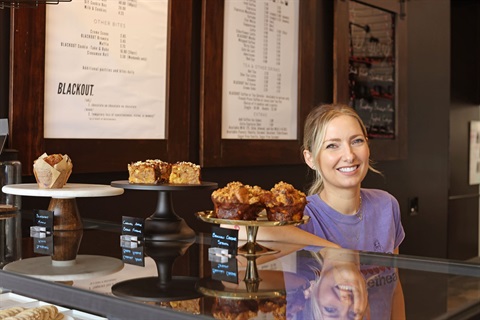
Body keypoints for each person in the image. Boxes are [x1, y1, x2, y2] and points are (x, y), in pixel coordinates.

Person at [255, 103, 406, 318]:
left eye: (357, 141)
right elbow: (237, 242)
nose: (349, 155)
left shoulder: (386, 205)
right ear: (310, 158)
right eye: (332, 146)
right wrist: (332, 250)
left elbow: (394, 287)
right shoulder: (303, 213)